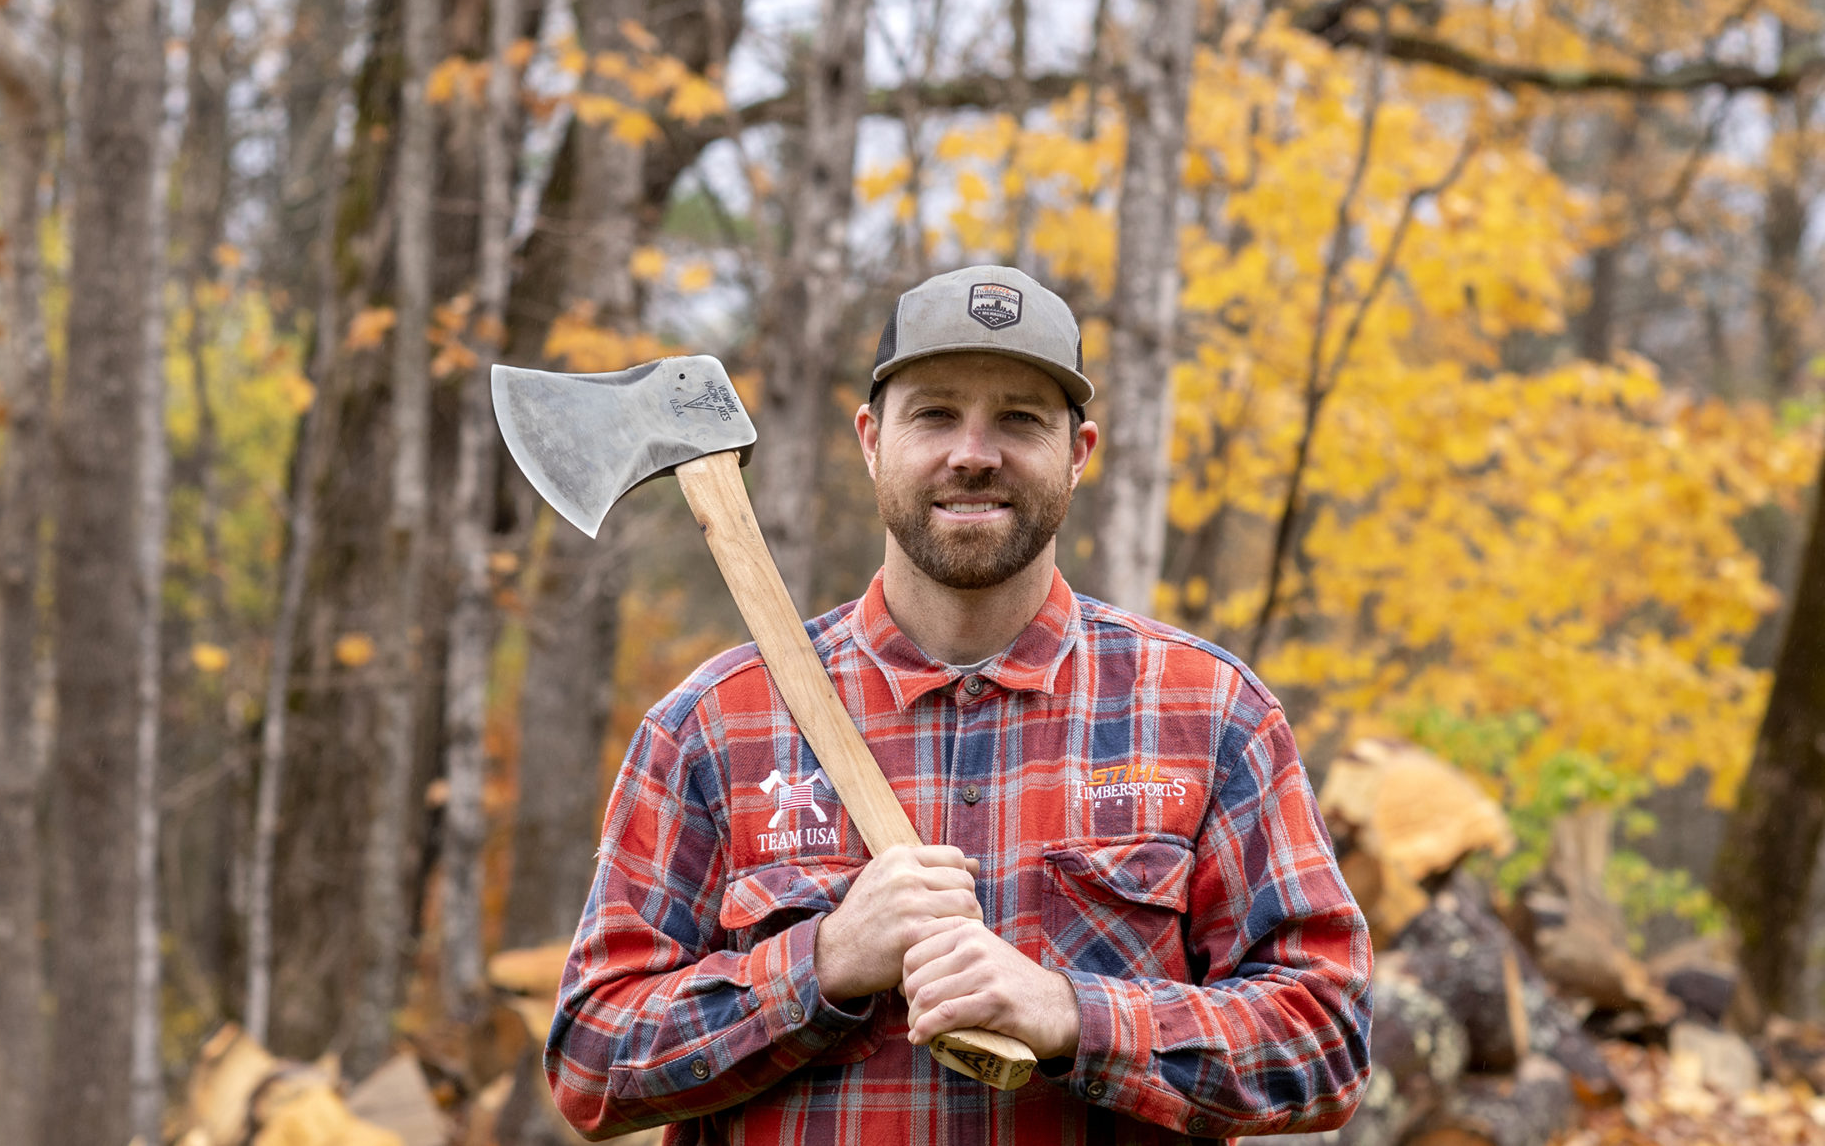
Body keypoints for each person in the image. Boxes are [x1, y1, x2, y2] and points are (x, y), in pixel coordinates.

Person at [545, 265, 1372, 1143]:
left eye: (1019, 418)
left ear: (1079, 453)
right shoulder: (713, 726)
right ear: (871, 440)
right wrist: (819, 965)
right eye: (935, 412)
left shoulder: (1208, 715)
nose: (973, 452)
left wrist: (1073, 1017)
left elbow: (1328, 1037)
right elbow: (592, 1063)